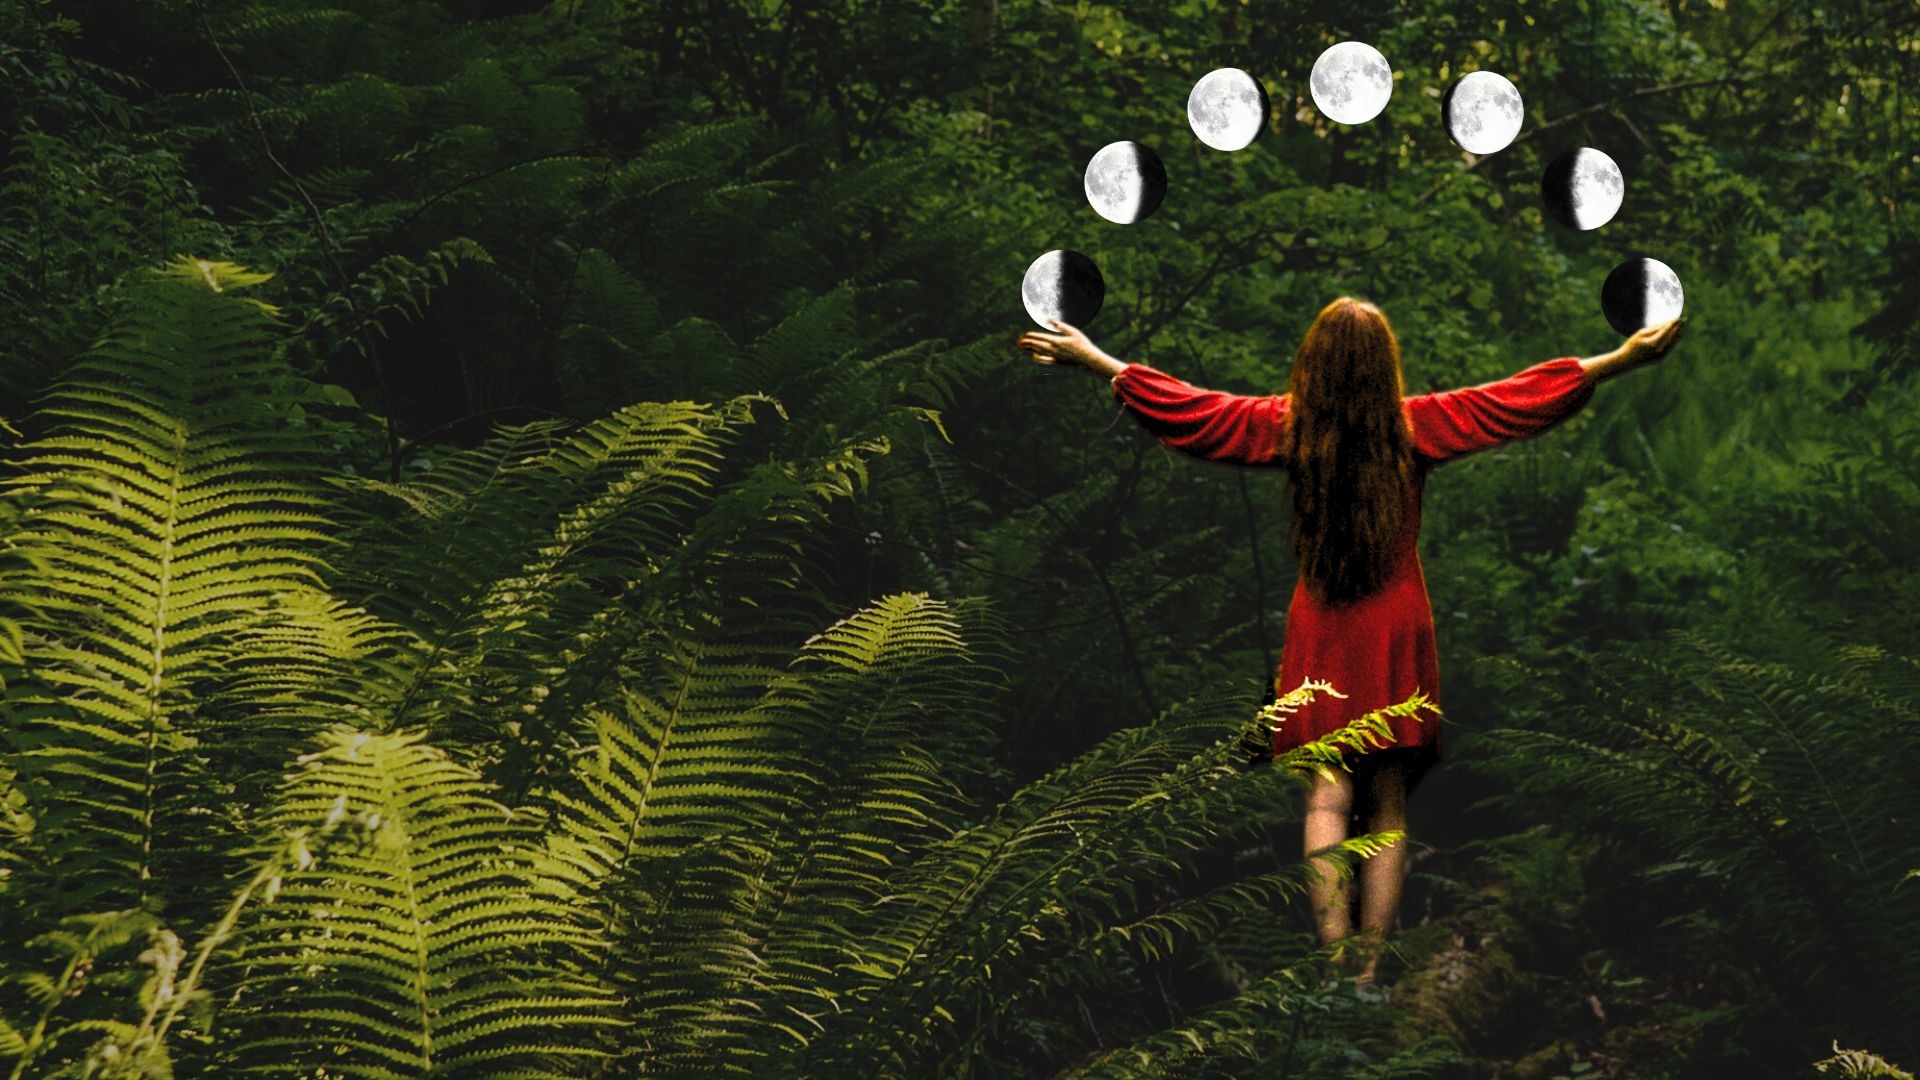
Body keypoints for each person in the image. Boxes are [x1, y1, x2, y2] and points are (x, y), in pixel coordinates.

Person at [1015, 297, 1684, 986]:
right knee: (1388, 803)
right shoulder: (1415, 426)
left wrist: (1097, 360)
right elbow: (1512, 399)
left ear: (1314, 361)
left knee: (1326, 800)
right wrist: (1622, 359)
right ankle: (1368, 972)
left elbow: (1194, 411)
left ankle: (1333, 965)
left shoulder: (1286, 428)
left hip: (1324, 623)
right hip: (1396, 622)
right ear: (1384, 366)